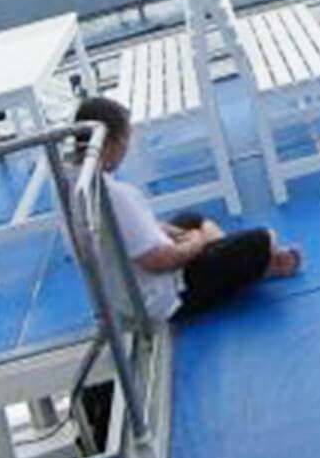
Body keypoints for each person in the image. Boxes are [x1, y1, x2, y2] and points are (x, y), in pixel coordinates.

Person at [74, 96, 301, 321]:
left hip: (127, 288)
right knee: (263, 238)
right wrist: (196, 243)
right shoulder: (113, 196)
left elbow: (129, 232)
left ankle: (229, 254)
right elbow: (158, 261)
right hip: (168, 296)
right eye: (125, 142)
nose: (126, 150)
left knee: (191, 219)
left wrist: (177, 234)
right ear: (111, 144)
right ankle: (260, 264)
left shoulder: (72, 184)